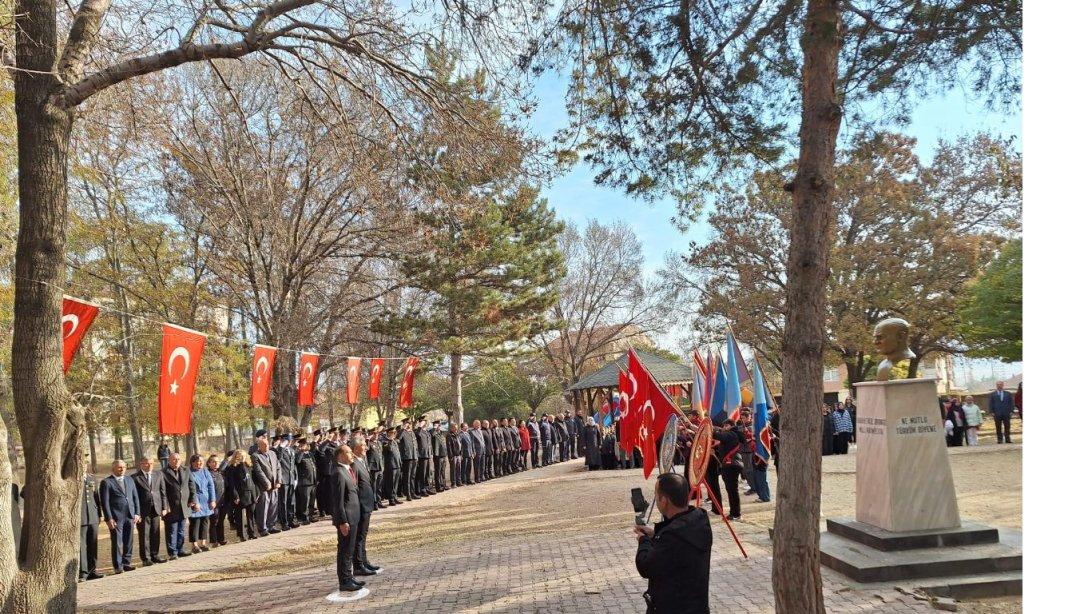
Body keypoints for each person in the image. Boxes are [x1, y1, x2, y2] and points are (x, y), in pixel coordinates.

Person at [634, 472, 712, 614]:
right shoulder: (699, 520)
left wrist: (643, 541)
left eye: (657, 495)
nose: (656, 500)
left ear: (664, 501)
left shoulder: (672, 536)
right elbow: (676, 549)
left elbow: (646, 566)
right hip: (696, 606)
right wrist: (656, 534)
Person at [331, 445, 365, 593]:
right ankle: (344, 581)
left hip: (354, 516)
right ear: (340, 455)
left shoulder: (347, 469)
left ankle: (349, 576)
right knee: (345, 550)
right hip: (347, 518)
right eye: (348, 452)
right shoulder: (338, 472)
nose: (351, 454)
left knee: (349, 549)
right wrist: (342, 521)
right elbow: (338, 501)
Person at [99, 459, 141, 574]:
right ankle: (118, 566)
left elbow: (135, 497)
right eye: (119, 467)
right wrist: (109, 518)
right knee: (117, 542)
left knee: (129, 541)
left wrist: (137, 513)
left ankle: (126, 563)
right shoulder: (107, 482)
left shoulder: (129, 479)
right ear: (113, 469)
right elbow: (105, 502)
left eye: (124, 467)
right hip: (116, 518)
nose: (122, 469)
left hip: (130, 516)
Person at [350, 442, 382, 579]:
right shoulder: (354, 464)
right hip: (361, 505)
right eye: (363, 445)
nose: (366, 448)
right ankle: (358, 566)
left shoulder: (361, 461)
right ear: (356, 448)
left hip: (367, 504)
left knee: (364, 535)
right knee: (359, 537)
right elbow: (354, 487)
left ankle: (364, 561)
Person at [131, 457, 168, 564]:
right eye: (147, 464)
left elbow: (163, 491)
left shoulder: (159, 474)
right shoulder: (135, 477)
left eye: (151, 463)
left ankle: (155, 555)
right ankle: (146, 558)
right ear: (141, 464)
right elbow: (134, 497)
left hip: (156, 508)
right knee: (144, 535)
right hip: (143, 510)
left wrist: (164, 507)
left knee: (155, 533)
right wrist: (136, 513)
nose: (149, 465)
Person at [162, 452, 196, 558]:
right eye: (173, 459)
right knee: (172, 530)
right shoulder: (163, 472)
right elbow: (162, 491)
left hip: (184, 505)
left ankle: (180, 549)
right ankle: (173, 552)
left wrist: (192, 499)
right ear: (169, 461)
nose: (176, 461)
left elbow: (192, 485)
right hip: (171, 506)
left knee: (181, 529)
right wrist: (165, 506)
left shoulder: (186, 470)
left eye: (178, 459)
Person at [224, 450, 259, 541]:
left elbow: (254, 481)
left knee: (250, 515)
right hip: (239, 495)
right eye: (240, 456)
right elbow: (232, 484)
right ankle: (242, 535)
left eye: (244, 456)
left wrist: (256, 493)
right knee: (239, 517)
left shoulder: (249, 466)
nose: (242, 458)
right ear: (236, 457)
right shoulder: (232, 468)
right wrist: (235, 496)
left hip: (251, 494)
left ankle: (251, 533)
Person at [713, 420, 744, 520]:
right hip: (729, 465)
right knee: (731, 490)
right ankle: (735, 512)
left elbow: (719, 436)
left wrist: (708, 429)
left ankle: (735, 514)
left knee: (732, 491)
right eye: (724, 425)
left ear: (732, 426)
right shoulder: (731, 434)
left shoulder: (732, 434)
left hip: (731, 465)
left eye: (726, 425)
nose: (724, 427)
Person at [251, 435, 281, 535]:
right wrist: (267, 483)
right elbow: (259, 471)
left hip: (274, 485)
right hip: (264, 486)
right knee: (263, 507)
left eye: (267, 444)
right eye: (264, 445)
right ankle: (263, 528)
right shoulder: (255, 456)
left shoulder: (272, 453)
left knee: (273, 505)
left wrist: (278, 481)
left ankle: (271, 525)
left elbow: (278, 468)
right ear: (259, 446)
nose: (267, 446)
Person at [188, 454, 216, 553]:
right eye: (197, 461)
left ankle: (203, 543)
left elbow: (210, 486)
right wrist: (195, 502)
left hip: (206, 501)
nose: (199, 463)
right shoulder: (189, 472)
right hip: (195, 501)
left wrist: (212, 500)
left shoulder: (205, 471)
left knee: (205, 522)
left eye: (201, 461)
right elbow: (191, 489)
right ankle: (194, 545)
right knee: (195, 523)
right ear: (192, 462)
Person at [80, 470, 104, 581]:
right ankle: (83, 572)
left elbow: (96, 496)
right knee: (82, 546)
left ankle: (93, 570)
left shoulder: (92, 478)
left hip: (93, 515)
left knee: (93, 544)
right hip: (81, 517)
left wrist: (100, 514)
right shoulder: (74, 478)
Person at [207, 454, 228, 547]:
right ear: (209, 463)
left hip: (223, 501)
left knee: (221, 521)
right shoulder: (208, 474)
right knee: (214, 521)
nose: (216, 463)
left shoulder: (221, 473)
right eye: (213, 462)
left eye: (217, 462)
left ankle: (221, 539)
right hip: (213, 502)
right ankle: (214, 541)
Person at [295, 439, 318, 523]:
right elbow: (297, 461)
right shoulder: (298, 454)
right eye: (304, 445)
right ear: (300, 445)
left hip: (313, 481)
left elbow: (314, 466)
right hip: (304, 482)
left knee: (312, 501)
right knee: (305, 502)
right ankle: (305, 518)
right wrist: (301, 451)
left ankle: (311, 516)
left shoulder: (310, 454)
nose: (306, 446)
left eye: (306, 444)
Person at [398, 420, 418, 500]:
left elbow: (415, 445)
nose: (409, 425)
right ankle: (408, 494)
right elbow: (398, 438)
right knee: (407, 476)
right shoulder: (403, 432)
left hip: (414, 456)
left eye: (409, 424)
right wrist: (403, 428)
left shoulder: (412, 433)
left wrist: (416, 456)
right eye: (407, 424)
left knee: (413, 476)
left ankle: (413, 493)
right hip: (407, 457)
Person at [432, 420, 448, 492]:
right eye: (438, 425)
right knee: (438, 472)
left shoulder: (441, 433)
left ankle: (443, 485)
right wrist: (434, 428)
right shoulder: (433, 433)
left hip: (443, 455)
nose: (439, 426)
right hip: (437, 455)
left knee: (443, 471)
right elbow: (431, 434)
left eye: (439, 425)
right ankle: (438, 487)